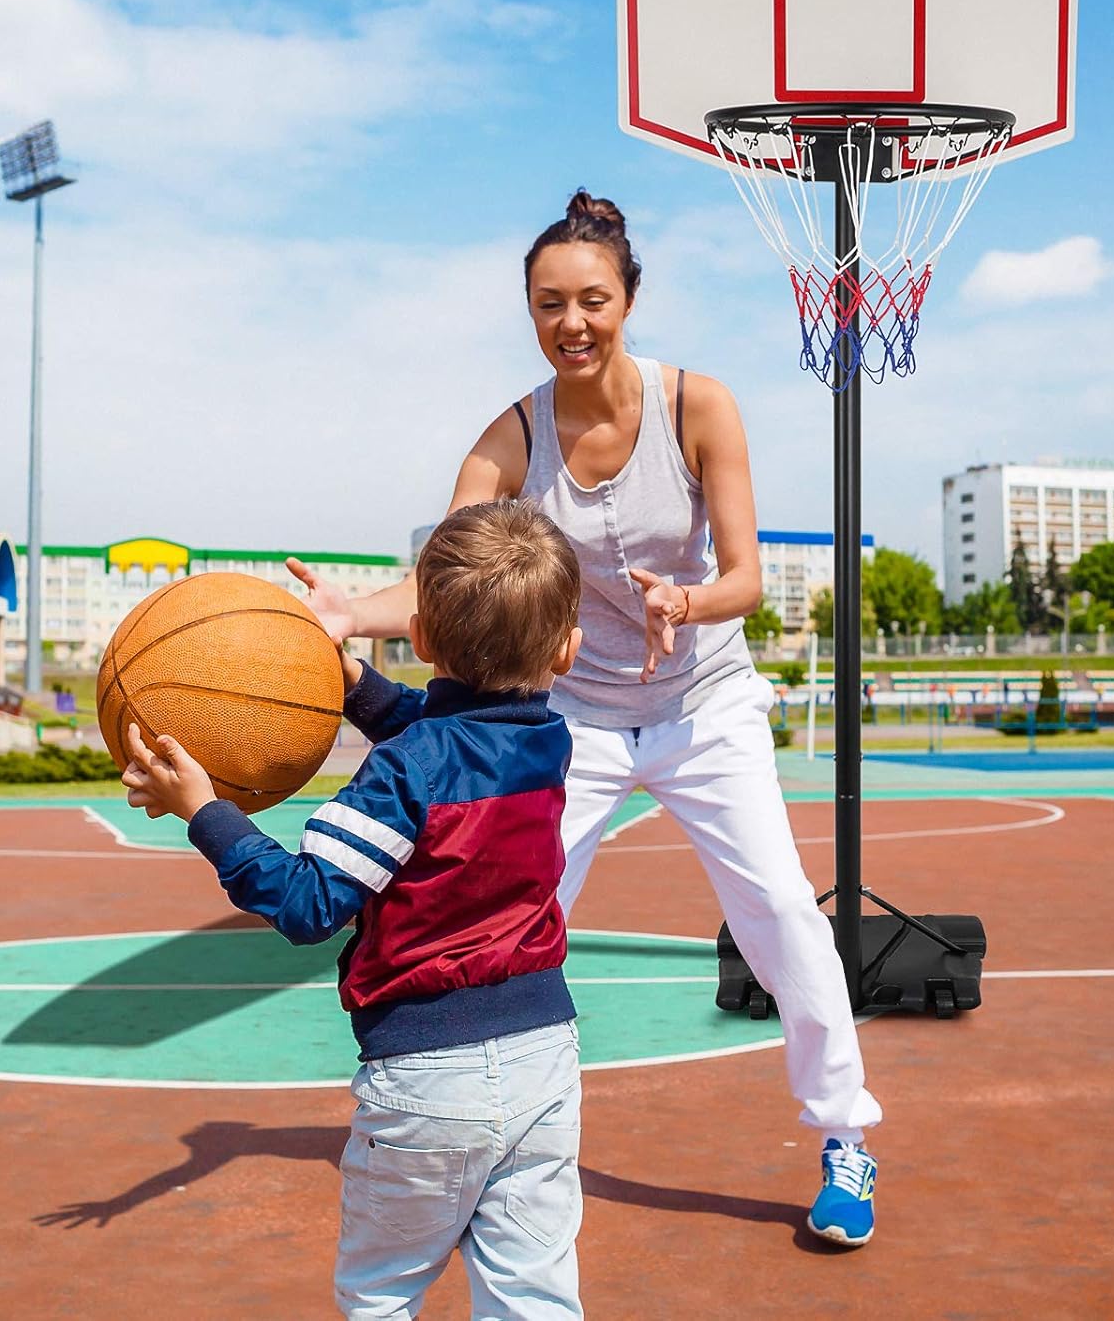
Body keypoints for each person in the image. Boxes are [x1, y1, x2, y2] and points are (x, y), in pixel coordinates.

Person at [294, 192, 882, 1247]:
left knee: (784, 913)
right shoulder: (507, 441)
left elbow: (745, 576)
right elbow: (448, 588)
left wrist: (686, 601)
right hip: (573, 721)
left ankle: (844, 1135)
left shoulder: (699, 405)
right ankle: (489, 1130)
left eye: (593, 301)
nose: (573, 322)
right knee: (510, 920)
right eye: (549, 304)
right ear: (529, 310)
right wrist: (350, 614)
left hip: (704, 702)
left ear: (630, 299)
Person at [123, 499, 587, 1318]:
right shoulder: (547, 741)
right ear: (568, 649)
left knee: (383, 1292)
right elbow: (456, 731)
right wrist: (351, 688)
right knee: (533, 1294)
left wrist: (206, 810)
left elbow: (308, 901)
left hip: (427, 1077)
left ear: (422, 639)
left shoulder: (405, 773)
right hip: (545, 1058)